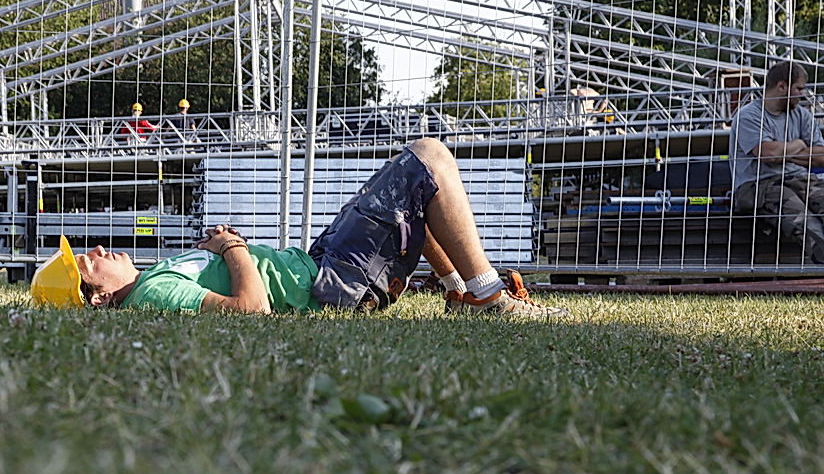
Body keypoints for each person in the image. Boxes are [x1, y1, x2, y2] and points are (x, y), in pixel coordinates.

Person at [30, 138, 568, 318]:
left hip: (320, 261)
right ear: (95, 298)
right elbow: (253, 310)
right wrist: (233, 245)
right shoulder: (151, 294)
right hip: (331, 284)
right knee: (427, 158)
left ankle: (461, 293)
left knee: (412, 190)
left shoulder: (154, 281)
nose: (96, 248)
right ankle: (488, 295)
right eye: (84, 261)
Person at [729, 60, 824, 263]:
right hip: (760, 185)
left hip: (799, 179)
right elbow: (769, 154)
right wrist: (799, 144)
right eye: (799, 88)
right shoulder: (748, 116)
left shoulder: (802, 115)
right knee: (807, 224)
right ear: (782, 86)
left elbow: (821, 156)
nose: (802, 94)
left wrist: (784, 151)